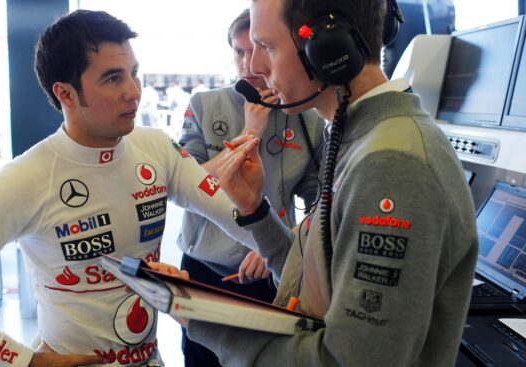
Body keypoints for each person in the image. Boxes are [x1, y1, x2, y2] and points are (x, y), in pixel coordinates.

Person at [0, 10, 266, 367]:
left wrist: (285, 255)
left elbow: (241, 221)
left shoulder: (156, 148)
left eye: (133, 73)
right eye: (112, 79)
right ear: (66, 93)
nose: (133, 92)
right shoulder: (24, 178)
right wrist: (24, 361)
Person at [183, 0, 479, 366]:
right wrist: (254, 211)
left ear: (329, 48)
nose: (255, 67)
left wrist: (201, 319)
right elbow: (317, 277)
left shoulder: (391, 164)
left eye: (268, 46)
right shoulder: (359, 137)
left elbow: (347, 361)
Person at [177, 8, 323, 367]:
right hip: (206, 269)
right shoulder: (203, 105)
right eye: (239, 52)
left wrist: (283, 236)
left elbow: (323, 200)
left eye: (258, 50)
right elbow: (185, 180)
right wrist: (249, 134)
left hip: (272, 273)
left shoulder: (306, 116)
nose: (250, 64)